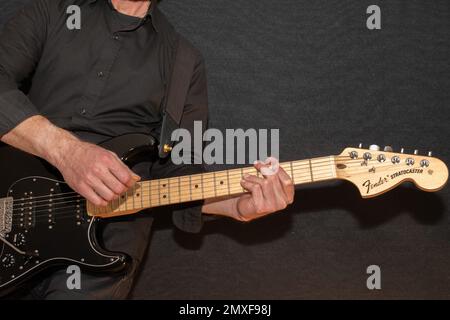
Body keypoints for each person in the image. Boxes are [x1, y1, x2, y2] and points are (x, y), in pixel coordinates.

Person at [0, 0, 294, 299]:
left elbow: (180, 168)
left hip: (107, 237)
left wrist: (236, 206)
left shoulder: (183, 60)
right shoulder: (52, 11)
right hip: (12, 189)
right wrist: (66, 152)